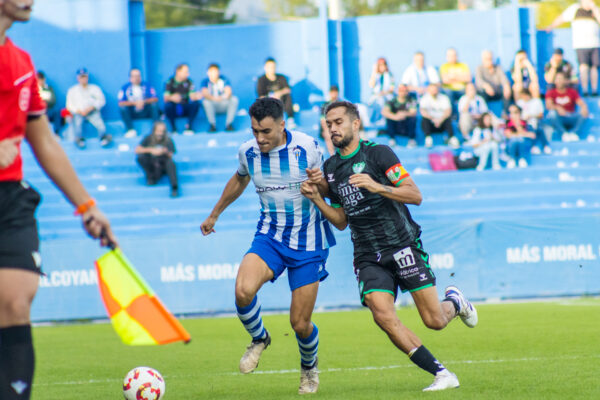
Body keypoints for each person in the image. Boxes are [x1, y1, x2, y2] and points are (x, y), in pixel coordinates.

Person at [300, 100, 478, 392]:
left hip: (402, 245)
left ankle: (455, 302)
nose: (333, 128)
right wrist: (317, 199)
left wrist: (376, 186)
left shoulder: (378, 154)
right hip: (367, 255)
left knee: (434, 320)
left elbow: (415, 195)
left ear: (355, 124)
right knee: (381, 313)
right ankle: (442, 374)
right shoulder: (331, 169)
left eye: (338, 122)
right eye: (329, 124)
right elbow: (341, 221)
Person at [0, 3, 116, 399]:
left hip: (10, 198)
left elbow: (45, 141)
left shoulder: (21, 61)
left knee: (17, 299)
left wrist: (86, 206)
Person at [200, 98, 335, 394]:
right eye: (254, 131)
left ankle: (309, 368)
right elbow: (239, 180)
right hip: (270, 235)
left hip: (308, 241)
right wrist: (215, 213)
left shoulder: (308, 147)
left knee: (300, 324)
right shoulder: (247, 151)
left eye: (265, 131)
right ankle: (260, 338)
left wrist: (320, 185)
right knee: (243, 290)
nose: (259, 138)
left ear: (282, 125)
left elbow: (329, 185)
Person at [547, 0, 600, 96]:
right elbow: (562, 18)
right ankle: (585, 90)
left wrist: (594, 8)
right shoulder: (575, 9)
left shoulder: (595, 10)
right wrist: (550, 26)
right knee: (584, 66)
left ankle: (594, 90)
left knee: (594, 67)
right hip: (581, 44)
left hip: (594, 44)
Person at [66, 67, 111, 149]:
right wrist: (78, 111)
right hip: (79, 113)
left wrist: (92, 108)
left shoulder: (95, 88)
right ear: (78, 78)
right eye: (81, 77)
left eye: (84, 77)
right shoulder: (72, 90)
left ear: (87, 77)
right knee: (78, 123)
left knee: (100, 124)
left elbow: (101, 101)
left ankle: (103, 137)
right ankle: (79, 139)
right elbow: (69, 105)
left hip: (92, 112)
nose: (83, 79)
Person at [135, 121, 179, 198]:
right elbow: (137, 150)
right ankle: (151, 178)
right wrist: (151, 150)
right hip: (152, 164)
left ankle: (174, 187)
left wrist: (164, 151)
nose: (160, 133)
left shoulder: (168, 140)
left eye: (162, 131)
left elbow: (171, 154)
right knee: (141, 157)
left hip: (163, 163)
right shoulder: (148, 138)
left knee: (170, 163)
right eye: (158, 131)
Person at [545, 71, 589, 142]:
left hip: (570, 116)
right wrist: (558, 108)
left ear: (565, 81)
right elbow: (548, 105)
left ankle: (574, 133)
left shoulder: (572, 91)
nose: (559, 81)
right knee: (552, 114)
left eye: (561, 79)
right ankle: (563, 134)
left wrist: (584, 108)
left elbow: (581, 103)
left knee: (583, 114)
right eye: (557, 79)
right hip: (559, 117)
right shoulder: (551, 92)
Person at [118, 68, 159, 138]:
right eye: (134, 76)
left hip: (145, 111)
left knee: (154, 105)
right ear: (130, 78)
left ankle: (157, 129)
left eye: (138, 76)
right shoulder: (125, 88)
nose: (137, 78)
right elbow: (121, 103)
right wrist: (135, 103)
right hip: (133, 112)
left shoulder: (147, 85)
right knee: (123, 109)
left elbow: (155, 98)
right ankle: (130, 130)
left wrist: (143, 102)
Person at [256, 57, 296, 128]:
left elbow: (288, 89)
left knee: (288, 96)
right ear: (265, 67)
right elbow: (261, 96)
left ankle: (290, 119)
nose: (271, 69)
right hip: (269, 103)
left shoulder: (281, 78)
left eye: (273, 67)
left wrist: (279, 93)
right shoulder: (261, 80)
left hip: (281, 102)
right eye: (269, 67)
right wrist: (272, 96)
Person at [163, 63, 201, 135]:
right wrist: (172, 97)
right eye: (186, 72)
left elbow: (192, 96)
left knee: (196, 104)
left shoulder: (189, 82)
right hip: (174, 108)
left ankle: (189, 127)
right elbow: (165, 98)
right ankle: (173, 128)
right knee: (168, 106)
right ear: (178, 71)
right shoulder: (170, 82)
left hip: (184, 107)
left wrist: (197, 96)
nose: (188, 74)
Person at [200, 63, 239, 132]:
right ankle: (212, 125)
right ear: (208, 73)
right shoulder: (205, 82)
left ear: (219, 72)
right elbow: (205, 94)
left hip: (223, 103)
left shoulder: (224, 80)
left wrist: (221, 98)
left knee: (234, 99)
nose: (214, 74)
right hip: (212, 104)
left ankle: (229, 124)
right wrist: (214, 98)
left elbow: (228, 92)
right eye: (212, 72)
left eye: (216, 71)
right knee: (205, 102)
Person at [419, 83, 458, 148]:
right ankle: (428, 138)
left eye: (435, 89)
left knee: (448, 119)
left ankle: (452, 138)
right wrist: (433, 119)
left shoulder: (444, 98)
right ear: (428, 90)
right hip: (431, 121)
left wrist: (440, 120)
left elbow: (448, 111)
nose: (434, 91)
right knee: (424, 120)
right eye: (432, 90)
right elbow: (423, 111)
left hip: (442, 121)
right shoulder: (424, 98)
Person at [475, 50, 512, 114]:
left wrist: (506, 86)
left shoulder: (498, 68)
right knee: (480, 94)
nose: (490, 61)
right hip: (486, 92)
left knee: (507, 91)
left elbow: (504, 79)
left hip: (497, 91)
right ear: (483, 60)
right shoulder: (479, 68)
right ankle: (486, 115)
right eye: (487, 59)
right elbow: (478, 81)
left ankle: (506, 114)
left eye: (491, 58)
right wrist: (486, 86)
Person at [516, 89, 551, 154]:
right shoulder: (520, 102)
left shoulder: (537, 101)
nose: (523, 98)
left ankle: (543, 146)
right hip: (523, 123)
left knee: (538, 128)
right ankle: (537, 146)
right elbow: (517, 114)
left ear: (528, 95)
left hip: (536, 121)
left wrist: (531, 116)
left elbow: (541, 115)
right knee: (532, 127)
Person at [367, 57, 395, 124]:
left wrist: (384, 93)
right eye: (380, 65)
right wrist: (374, 71)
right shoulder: (375, 75)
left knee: (383, 102)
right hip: (376, 97)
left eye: (384, 65)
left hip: (387, 96)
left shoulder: (390, 75)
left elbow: (392, 88)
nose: (382, 67)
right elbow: (371, 85)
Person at [320, 84, 341, 155]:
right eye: (332, 92)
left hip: (339, 127)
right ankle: (333, 156)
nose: (334, 94)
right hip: (328, 128)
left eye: (335, 92)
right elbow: (323, 120)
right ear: (329, 93)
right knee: (328, 135)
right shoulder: (325, 105)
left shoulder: (341, 104)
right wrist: (326, 130)